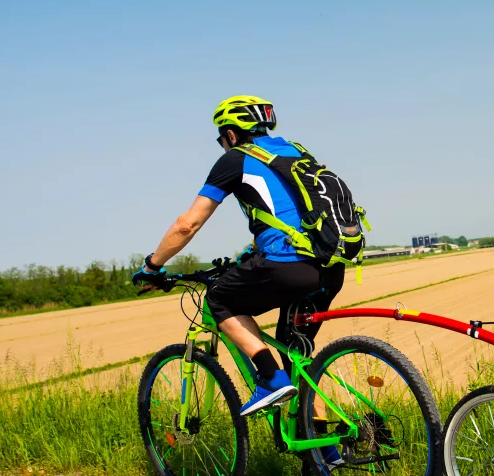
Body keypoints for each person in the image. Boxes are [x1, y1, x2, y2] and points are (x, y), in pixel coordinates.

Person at [132, 96, 346, 420]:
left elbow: (187, 225)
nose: (222, 144)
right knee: (295, 355)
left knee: (220, 299)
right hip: (330, 269)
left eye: (221, 137)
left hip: (288, 267)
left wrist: (152, 267)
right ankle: (325, 450)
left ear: (232, 134)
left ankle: (270, 380)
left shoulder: (236, 159)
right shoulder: (295, 151)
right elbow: (292, 216)